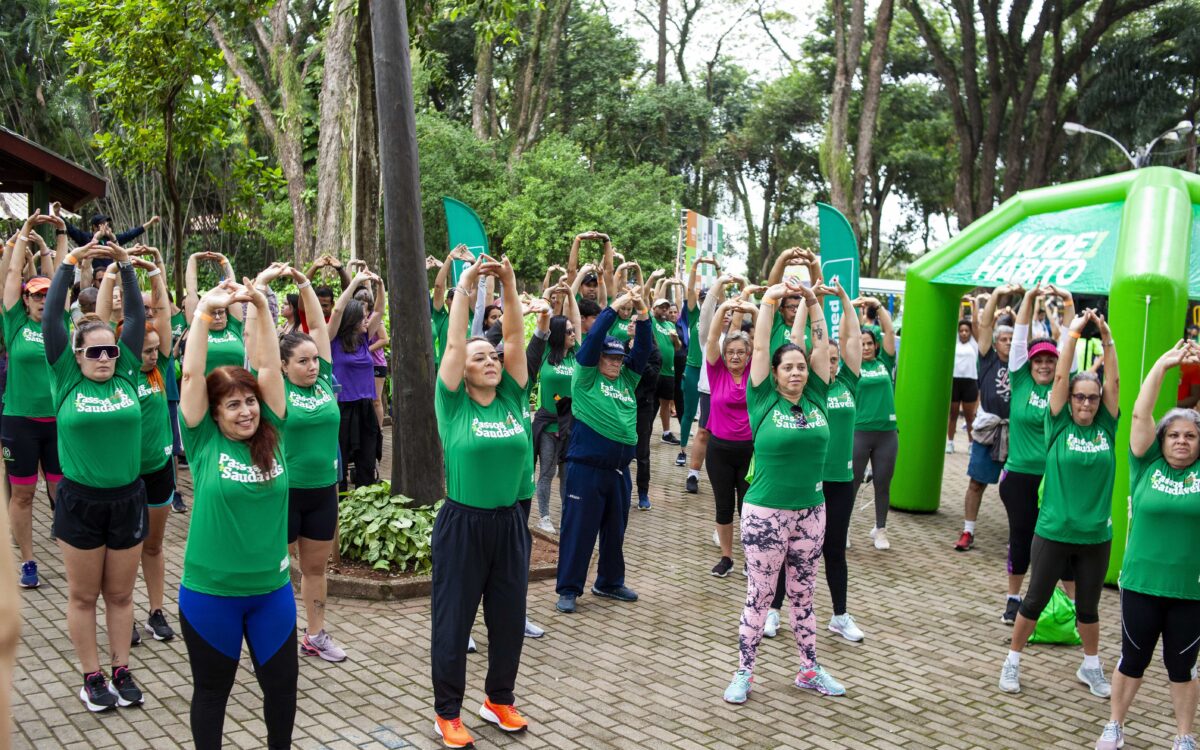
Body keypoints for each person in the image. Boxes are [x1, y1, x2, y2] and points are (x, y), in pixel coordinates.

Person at [179, 277, 295, 748]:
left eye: (249, 402)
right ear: (215, 412)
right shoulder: (203, 440)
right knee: (212, 693)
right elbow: (190, 376)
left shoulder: (274, 433)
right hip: (211, 596)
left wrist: (260, 307)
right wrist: (205, 312)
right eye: (233, 405)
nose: (246, 411)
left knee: (282, 691)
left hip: (272, 593)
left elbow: (267, 364)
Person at [723, 279, 840, 704]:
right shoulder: (762, 399)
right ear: (774, 374)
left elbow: (822, 345)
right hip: (766, 514)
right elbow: (758, 349)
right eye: (788, 367)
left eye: (801, 367)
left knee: (804, 595)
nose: (796, 372)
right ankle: (744, 672)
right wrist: (770, 301)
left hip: (812, 511)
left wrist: (812, 302)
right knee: (759, 594)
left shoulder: (818, 397)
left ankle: (809, 669)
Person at [431, 255, 532, 748]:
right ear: (461, 372)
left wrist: (509, 286)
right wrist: (465, 288)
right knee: (453, 622)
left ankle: (498, 699)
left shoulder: (513, 398)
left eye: (491, 357)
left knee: (509, 620)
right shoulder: (452, 405)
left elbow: (513, 338)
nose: (490, 360)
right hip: (462, 525)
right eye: (479, 359)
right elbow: (453, 342)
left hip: (510, 523)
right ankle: (446, 712)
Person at [43, 240, 147, 712]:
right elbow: (50, 322)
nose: (105, 358)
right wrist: (69, 263)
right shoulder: (65, 376)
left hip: (128, 499)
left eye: (110, 351)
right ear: (78, 354)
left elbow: (139, 322)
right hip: (80, 502)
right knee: (85, 595)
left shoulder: (127, 372)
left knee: (122, 594)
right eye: (95, 352)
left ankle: (121, 666)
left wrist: (125, 267)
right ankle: (92, 677)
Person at [999, 309, 1118, 700]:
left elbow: (1113, 381)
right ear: (1069, 400)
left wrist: (1105, 335)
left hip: (1095, 536)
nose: (1085, 402)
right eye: (1080, 397)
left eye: (1093, 398)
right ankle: (1012, 661)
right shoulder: (1059, 422)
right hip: (1053, 530)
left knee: (1089, 607)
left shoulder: (1107, 427)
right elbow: (1063, 376)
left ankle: (1091, 666)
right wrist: (1072, 334)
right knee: (1032, 600)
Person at [1094, 341, 1200, 750]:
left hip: (1189, 590)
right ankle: (1115, 726)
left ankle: (1184, 736)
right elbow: (1140, 412)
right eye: (1173, 434)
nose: (1181, 441)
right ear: (1162, 438)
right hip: (1141, 583)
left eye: (1190, 436)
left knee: (1182, 666)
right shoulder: (1145, 463)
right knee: (1132, 660)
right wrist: (1164, 363)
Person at [764, 278, 864, 642]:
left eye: (837, 360)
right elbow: (797, 337)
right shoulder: (812, 390)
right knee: (787, 551)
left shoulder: (849, 384)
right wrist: (808, 300)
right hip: (806, 482)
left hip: (840, 481)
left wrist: (842, 300)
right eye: (828, 359)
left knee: (834, 549)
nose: (833, 363)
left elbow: (852, 339)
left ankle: (840, 615)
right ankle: (773, 612)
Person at [257, 264, 347, 664]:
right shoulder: (276, 393)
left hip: (323, 490)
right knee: (273, 569)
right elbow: (258, 345)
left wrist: (304, 282)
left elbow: (321, 329)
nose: (312, 366)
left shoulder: (325, 381)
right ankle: (270, 636)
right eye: (303, 362)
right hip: (285, 491)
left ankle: (315, 635)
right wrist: (261, 292)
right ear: (284, 366)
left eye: (314, 360)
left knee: (315, 569)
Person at [555, 285, 652, 614]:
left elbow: (642, 352)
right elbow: (594, 337)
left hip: (619, 470)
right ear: (597, 358)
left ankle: (608, 581)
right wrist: (615, 307)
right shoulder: (584, 378)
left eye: (618, 358)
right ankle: (568, 588)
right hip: (587, 469)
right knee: (579, 529)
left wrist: (644, 313)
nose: (615, 362)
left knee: (615, 530)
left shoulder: (626, 380)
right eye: (610, 357)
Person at [97, 250, 178, 645]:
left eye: (153, 350)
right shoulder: (123, 367)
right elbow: (101, 319)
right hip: (128, 474)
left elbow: (161, 314)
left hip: (160, 468)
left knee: (154, 545)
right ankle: (123, 614)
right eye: (144, 351)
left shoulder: (162, 366)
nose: (150, 355)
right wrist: (113, 273)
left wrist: (156, 273)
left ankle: (156, 611)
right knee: (126, 548)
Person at [995, 285, 1074, 625]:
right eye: (1038, 359)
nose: (1043, 364)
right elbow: (1020, 337)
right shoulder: (1021, 380)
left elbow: (1070, 340)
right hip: (1019, 476)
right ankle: (1014, 599)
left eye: (1050, 360)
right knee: (1022, 537)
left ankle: (1069, 606)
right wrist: (1028, 298)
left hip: (1055, 477)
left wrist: (1069, 303)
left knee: (1060, 540)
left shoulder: (1063, 387)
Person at [3, 211, 65, 589]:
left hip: (57, 421)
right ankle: (27, 561)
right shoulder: (13, 324)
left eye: (46, 295)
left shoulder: (59, 324)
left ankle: (76, 553)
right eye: (36, 295)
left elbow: (60, 277)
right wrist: (25, 232)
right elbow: (11, 276)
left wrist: (57, 234)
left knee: (63, 491)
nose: (43, 299)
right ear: (25, 300)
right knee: (23, 494)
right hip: (20, 421)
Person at [955, 284, 1018, 551]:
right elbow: (986, 324)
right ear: (995, 341)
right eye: (1004, 339)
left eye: (1013, 339)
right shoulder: (987, 358)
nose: (1009, 343)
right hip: (988, 429)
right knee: (977, 482)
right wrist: (995, 296)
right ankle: (968, 531)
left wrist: (1027, 299)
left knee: (1017, 489)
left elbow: (1026, 328)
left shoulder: (1022, 364)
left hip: (1016, 433)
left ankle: (1018, 536)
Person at [704, 296, 758, 577]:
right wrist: (724, 308)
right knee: (723, 506)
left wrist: (753, 310)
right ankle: (727, 558)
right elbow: (713, 337)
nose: (735, 356)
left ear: (749, 354)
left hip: (750, 452)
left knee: (748, 508)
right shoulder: (717, 371)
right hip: (719, 451)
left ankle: (752, 558)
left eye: (741, 352)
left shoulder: (755, 373)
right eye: (731, 352)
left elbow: (764, 342)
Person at [530, 284, 581, 534]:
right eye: (569, 331)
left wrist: (571, 294)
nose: (573, 334)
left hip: (569, 426)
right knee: (547, 472)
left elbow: (579, 322)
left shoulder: (576, 356)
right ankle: (544, 517)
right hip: (548, 425)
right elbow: (543, 325)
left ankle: (567, 515)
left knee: (567, 474)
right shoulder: (546, 354)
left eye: (573, 331)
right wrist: (547, 295)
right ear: (559, 333)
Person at [329, 272, 384, 491]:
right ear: (351, 319)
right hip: (342, 407)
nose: (367, 320)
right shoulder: (332, 340)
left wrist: (379, 285)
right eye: (363, 317)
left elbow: (379, 310)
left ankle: (365, 497)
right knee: (341, 459)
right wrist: (354, 282)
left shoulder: (364, 338)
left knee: (366, 461)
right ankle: (340, 502)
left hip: (365, 406)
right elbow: (337, 310)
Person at [851, 295, 897, 550]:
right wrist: (850, 309)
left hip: (887, 433)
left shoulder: (884, 362)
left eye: (869, 343)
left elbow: (889, 330)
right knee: (853, 483)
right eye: (862, 343)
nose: (866, 347)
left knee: (882, 482)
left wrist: (876, 306)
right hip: (859, 432)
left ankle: (880, 529)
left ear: (875, 345)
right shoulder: (851, 365)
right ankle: (844, 527)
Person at [676, 257, 717, 467]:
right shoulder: (694, 316)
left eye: (709, 297)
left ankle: (711, 455)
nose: (705, 300)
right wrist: (694, 266)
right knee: (689, 411)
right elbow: (689, 291)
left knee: (712, 417)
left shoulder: (720, 317)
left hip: (714, 371)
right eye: (703, 298)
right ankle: (683, 450)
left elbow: (723, 292)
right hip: (693, 369)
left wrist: (718, 269)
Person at [184, 251, 245, 374]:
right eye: (212, 313)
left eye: (221, 312)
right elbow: (191, 292)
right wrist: (192, 259)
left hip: (236, 390)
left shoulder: (234, 328)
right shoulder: (197, 327)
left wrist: (224, 261)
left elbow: (232, 288)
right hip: (207, 391)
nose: (217, 317)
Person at [948, 319, 979, 452]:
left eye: (966, 331)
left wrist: (975, 303)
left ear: (970, 332)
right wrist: (960, 303)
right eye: (961, 331)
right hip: (955, 382)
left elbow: (976, 322)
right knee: (953, 414)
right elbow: (956, 320)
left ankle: (971, 444)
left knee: (969, 417)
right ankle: (950, 442)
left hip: (970, 382)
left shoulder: (974, 344)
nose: (964, 333)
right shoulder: (955, 342)